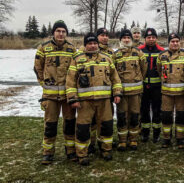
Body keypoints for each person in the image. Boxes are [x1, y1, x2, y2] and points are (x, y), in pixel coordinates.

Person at [66, 33, 122, 165]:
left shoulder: (107, 59)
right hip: (85, 103)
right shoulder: (77, 59)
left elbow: (115, 78)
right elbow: (70, 81)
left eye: (94, 43)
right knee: (83, 128)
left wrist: (117, 93)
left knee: (106, 126)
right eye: (89, 43)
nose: (93, 46)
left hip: (104, 101)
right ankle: (82, 154)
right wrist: (73, 99)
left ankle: (106, 150)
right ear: (85, 45)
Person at [34, 20, 77, 165]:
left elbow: (76, 69)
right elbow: (37, 68)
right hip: (50, 95)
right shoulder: (43, 48)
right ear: (53, 32)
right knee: (50, 125)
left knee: (70, 123)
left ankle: (70, 151)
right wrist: (43, 83)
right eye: (58, 31)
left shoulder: (72, 49)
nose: (61, 34)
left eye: (63, 31)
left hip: (67, 95)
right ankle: (48, 153)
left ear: (66, 34)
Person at [114, 29, 147, 151]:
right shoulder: (115, 55)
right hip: (121, 93)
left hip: (136, 92)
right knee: (122, 116)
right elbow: (113, 74)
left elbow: (144, 69)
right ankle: (122, 140)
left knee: (134, 115)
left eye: (128, 38)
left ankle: (133, 139)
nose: (126, 40)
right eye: (124, 38)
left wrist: (138, 80)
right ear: (120, 40)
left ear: (131, 40)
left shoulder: (139, 53)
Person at [157, 33, 184, 149]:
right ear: (169, 43)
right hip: (167, 93)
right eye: (172, 41)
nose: (175, 43)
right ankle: (166, 139)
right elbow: (159, 71)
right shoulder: (162, 56)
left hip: (181, 94)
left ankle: (180, 139)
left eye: (177, 41)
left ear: (179, 43)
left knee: (181, 117)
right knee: (166, 117)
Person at [89, 27, 115, 154]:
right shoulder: (85, 50)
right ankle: (90, 143)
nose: (105, 37)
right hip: (90, 94)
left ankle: (103, 143)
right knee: (92, 121)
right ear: (96, 37)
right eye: (101, 35)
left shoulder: (111, 52)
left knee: (105, 120)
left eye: (106, 35)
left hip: (106, 93)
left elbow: (114, 73)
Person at [138, 28, 165, 143]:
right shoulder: (139, 50)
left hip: (157, 87)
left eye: (153, 37)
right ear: (145, 39)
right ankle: (145, 133)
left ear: (156, 38)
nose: (151, 39)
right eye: (148, 37)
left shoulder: (162, 51)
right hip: (143, 86)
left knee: (157, 111)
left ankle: (156, 134)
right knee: (144, 110)